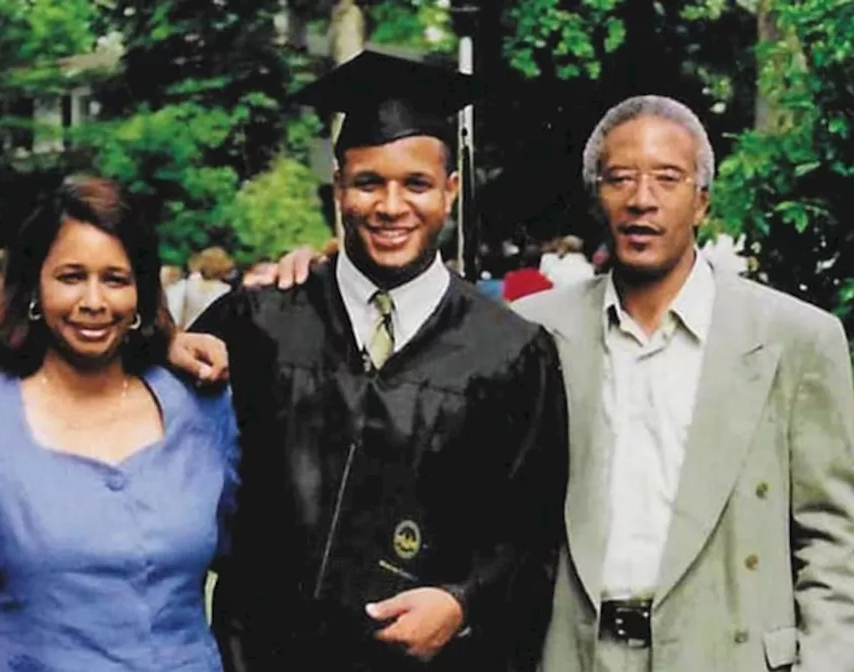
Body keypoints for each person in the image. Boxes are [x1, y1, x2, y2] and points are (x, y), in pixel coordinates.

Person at [183, 50, 569, 671]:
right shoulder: (258, 324)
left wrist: (463, 602)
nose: (392, 206)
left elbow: (529, 531)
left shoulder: (511, 352)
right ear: (338, 188)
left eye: (416, 184)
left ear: (450, 192)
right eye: (368, 182)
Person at [513, 95, 854, 671]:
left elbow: (830, 540)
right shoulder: (537, 333)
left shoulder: (794, 339)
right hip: (575, 655)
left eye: (667, 179)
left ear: (702, 201)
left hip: (729, 653)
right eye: (620, 178)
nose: (641, 199)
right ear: (597, 196)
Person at [0, 175, 239, 671]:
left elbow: (258, 564)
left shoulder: (200, 408)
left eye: (115, 279)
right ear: (33, 288)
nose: (94, 302)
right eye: (70, 277)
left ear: (142, 290)